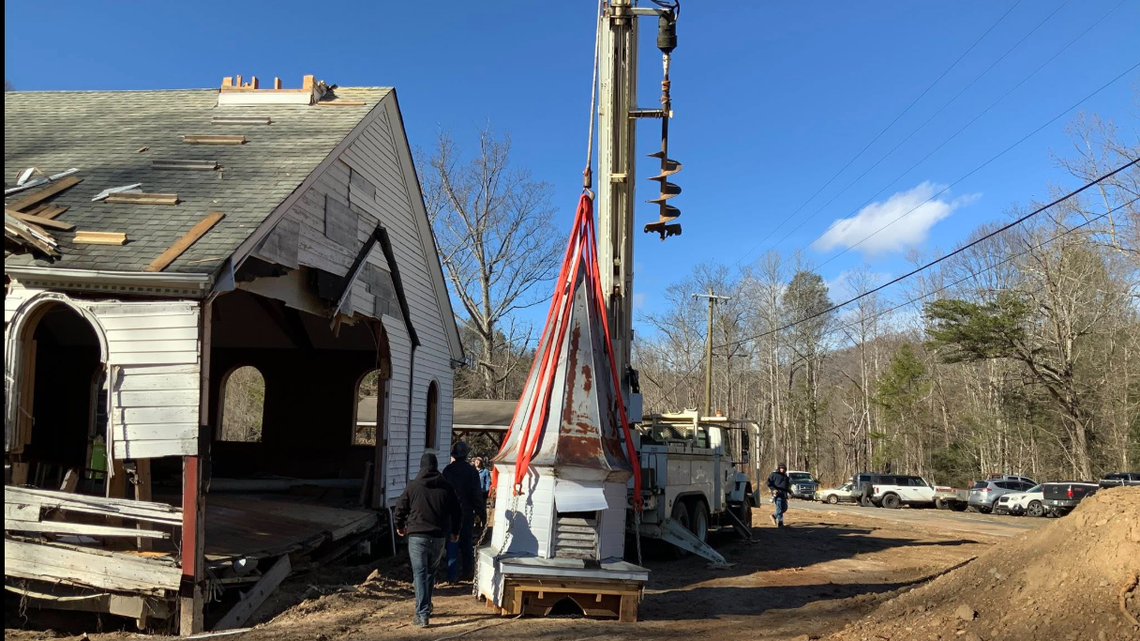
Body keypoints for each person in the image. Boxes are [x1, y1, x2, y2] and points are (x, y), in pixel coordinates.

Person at [394, 453, 461, 628]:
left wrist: (400, 525)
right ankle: (426, 607)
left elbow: (400, 508)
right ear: (436, 466)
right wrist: (455, 531)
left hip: (417, 536)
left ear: (421, 466)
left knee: (419, 574)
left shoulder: (413, 486)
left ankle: (422, 614)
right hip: (438, 537)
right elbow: (457, 511)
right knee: (430, 573)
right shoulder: (446, 487)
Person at [442, 441, 486, 583]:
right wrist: (481, 512)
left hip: (450, 512)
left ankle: (452, 575)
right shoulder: (472, 471)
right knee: (466, 541)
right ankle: (467, 571)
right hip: (466, 511)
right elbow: (476, 494)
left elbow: (443, 493)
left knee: (452, 541)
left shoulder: (447, 471)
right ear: (466, 455)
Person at [766, 462, 791, 528]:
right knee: (779, 509)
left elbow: (787, 485)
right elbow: (768, 483)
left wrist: (790, 491)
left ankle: (773, 516)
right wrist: (773, 489)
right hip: (777, 494)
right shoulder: (774, 474)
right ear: (779, 468)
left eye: (783, 468)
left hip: (784, 494)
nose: (782, 469)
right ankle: (780, 524)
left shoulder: (785, 476)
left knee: (784, 508)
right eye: (781, 468)